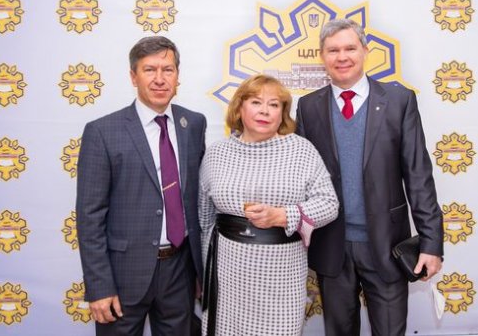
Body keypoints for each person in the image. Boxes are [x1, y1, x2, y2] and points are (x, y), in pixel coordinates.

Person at [295, 19, 444, 336]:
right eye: (333, 50)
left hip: (386, 246)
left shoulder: (399, 101)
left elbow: (418, 177)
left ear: (364, 50)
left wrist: (431, 243)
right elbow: (300, 181)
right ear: (322, 56)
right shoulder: (308, 107)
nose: (342, 57)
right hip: (331, 246)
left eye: (350, 48)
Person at [76, 36, 206, 335]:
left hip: (180, 270)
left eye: (168, 70)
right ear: (133, 77)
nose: (160, 79)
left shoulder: (193, 123)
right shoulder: (102, 131)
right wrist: (99, 286)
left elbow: (196, 200)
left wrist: (199, 270)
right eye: (150, 70)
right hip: (123, 274)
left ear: (178, 76)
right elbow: (90, 217)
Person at [199, 74, 339, 336]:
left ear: (282, 113)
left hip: (281, 277)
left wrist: (283, 216)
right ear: (239, 108)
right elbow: (204, 219)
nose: (265, 110)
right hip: (226, 275)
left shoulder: (301, 151)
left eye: (274, 105)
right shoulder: (216, 154)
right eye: (256, 102)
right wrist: (203, 273)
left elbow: (329, 204)